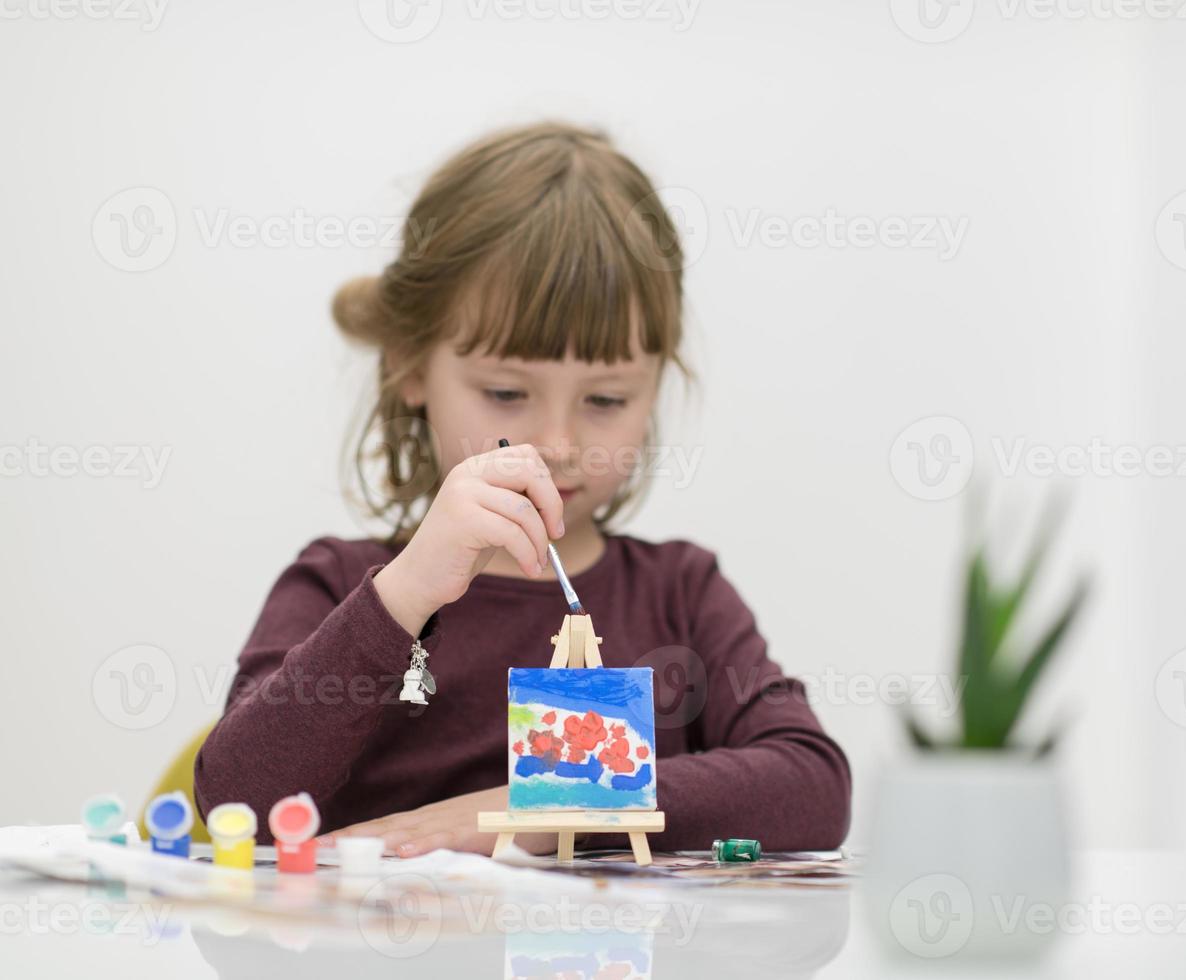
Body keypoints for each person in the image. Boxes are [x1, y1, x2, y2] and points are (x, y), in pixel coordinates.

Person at [192, 122, 851, 858]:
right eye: (507, 392)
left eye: (605, 400)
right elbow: (236, 807)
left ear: (656, 384)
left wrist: (538, 808)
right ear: (411, 365)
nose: (559, 445)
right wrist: (404, 596)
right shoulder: (347, 584)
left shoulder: (682, 594)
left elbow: (813, 786)